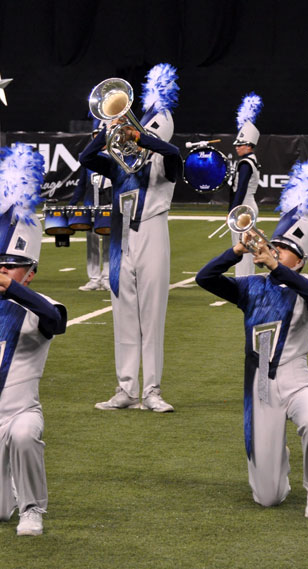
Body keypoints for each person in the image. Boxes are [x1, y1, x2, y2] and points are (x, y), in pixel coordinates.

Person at [196, 158, 308, 518]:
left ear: (301, 261)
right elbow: (205, 278)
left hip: (297, 377)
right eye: (273, 245)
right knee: (268, 497)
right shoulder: (251, 288)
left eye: (284, 249)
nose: (273, 249)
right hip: (260, 388)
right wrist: (236, 252)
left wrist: (279, 269)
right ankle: (276, 460)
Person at [0, 143, 67, 536]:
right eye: (1, 263)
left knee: (26, 435)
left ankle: (33, 509)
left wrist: (5, 283)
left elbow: (55, 322)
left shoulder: (44, 304)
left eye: (14, 266)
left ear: (32, 272)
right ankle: (9, 495)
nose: (4, 270)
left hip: (23, 413)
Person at [80, 64, 181, 413]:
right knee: (122, 313)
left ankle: (152, 390)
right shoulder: (117, 165)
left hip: (152, 231)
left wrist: (143, 138)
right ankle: (126, 389)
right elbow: (86, 157)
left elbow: (173, 154)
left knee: (151, 316)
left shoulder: (166, 165)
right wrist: (108, 128)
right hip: (121, 239)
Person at [70, 122, 112, 291]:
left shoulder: (115, 156)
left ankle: (108, 277)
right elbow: (81, 184)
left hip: (109, 204)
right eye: (95, 135)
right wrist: (72, 204)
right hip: (90, 204)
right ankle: (94, 278)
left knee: (109, 241)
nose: (98, 138)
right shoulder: (87, 158)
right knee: (92, 242)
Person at [230, 93, 263, 277]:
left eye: (241, 144)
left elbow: (241, 188)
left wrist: (233, 210)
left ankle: (243, 280)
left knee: (241, 245)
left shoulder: (245, 163)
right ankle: (245, 278)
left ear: (249, 145)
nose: (237, 147)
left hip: (244, 207)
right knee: (247, 244)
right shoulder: (252, 160)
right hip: (248, 205)